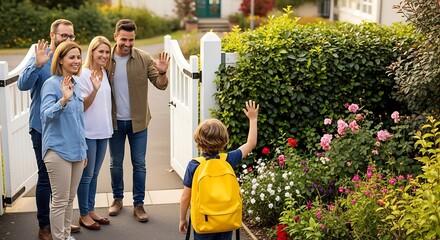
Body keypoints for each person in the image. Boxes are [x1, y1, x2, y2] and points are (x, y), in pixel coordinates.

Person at [17, 19, 81, 240]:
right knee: (45, 179)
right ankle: (45, 226)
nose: (68, 39)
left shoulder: (72, 65)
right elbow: (22, 85)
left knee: (64, 189)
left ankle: (60, 225)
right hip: (42, 128)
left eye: (71, 36)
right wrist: (37, 64)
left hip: (66, 133)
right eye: (64, 36)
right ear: (52, 35)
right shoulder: (41, 58)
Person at [107, 19, 170, 222]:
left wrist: (162, 72)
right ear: (116, 36)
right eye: (124, 39)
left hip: (138, 122)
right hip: (114, 122)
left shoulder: (143, 58)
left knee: (139, 164)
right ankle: (117, 200)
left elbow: (161, 85)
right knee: (116, 163)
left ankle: (139, 205)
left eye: (131, 40)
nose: (127, 43)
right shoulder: (105, 58)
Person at [179, 100, 259, 240]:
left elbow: (186, 197)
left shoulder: (194, 165)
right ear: (224, 140)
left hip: (204, 220)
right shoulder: (227, 159)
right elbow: (251, 143)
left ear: (198, 141)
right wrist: (253, 119)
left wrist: (182, 219)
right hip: (226, 219)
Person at [40, 41, 87, 240]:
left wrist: (83, 150)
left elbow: (79, 122)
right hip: (57, 151)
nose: (76, 61)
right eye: (71, 57)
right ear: (60, 60)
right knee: (59, 201)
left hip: (76, 151)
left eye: (78, 57)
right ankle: (59, 238)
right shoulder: (51, 84)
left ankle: (66, 236)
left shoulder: (75, 83)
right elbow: (45, 116)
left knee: (69, 199)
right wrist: (63, 100)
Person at [76, 36, 113, 230]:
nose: (105, 55)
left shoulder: (104, 72)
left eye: (107, 52)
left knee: (95, 174)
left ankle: (90, 210)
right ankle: (83, 214)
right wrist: (95, 90)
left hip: (103, 131)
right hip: (88, 132)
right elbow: (81, 106)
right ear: (92, 52)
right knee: (86, 175)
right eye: (101, 51)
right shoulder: (83, 73)